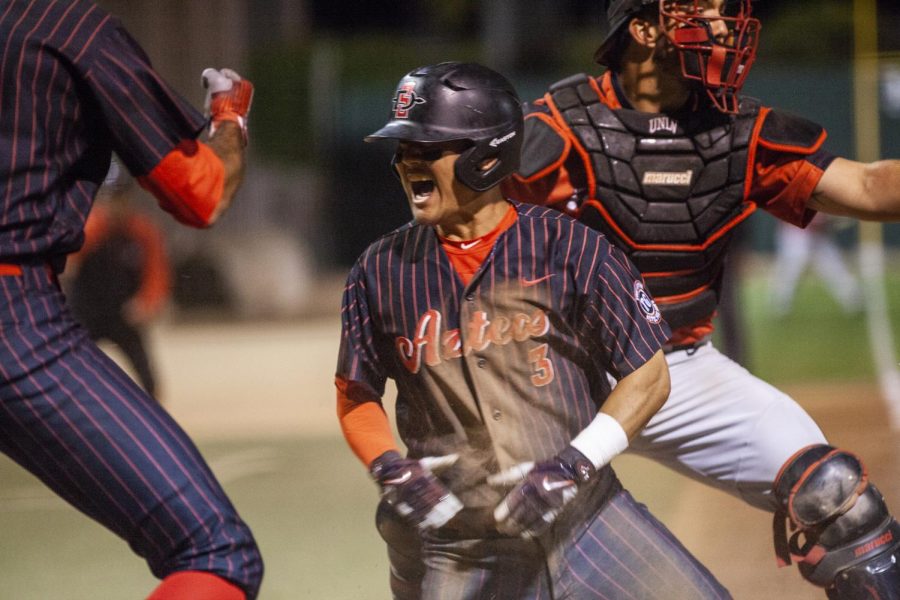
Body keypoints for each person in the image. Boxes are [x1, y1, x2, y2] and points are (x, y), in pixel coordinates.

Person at [500, 0, 900, 597]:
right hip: (559, 377)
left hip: (679, 371)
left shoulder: (739, 130)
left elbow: (868, 187)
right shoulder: (558, 130)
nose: (722, 24)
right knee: (499, 542)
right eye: (701, 9)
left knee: (838, 497)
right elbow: (460, 228)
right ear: (643, 28)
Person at [336, 61, 730, 599]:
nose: (406, 161)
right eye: (402, 149)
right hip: (463, 545)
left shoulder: (571, 248)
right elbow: (355, 392)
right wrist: (389, 467)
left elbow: (650, 377)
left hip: (589, 524)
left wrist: (574, 465)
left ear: (485, 157)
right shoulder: (378, 271)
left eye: (427, 149)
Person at [0, 2, 262, 599]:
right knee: (214, 550)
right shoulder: (66, 26)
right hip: (13, 311)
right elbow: (201, 194)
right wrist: (230, 118)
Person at [67, 163, 171, 400]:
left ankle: (153, 423)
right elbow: (67, 267)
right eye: (111, 198)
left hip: (123, 315)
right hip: (86, 315)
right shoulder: (89, 229)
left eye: (120, 197)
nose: (115, 205)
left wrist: (146, 304)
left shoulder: (142, 232)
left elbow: (156, 274)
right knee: (72, 371)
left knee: (149, 380)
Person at [769, 214, 862, 317]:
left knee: (833, 267)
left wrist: (828, 221)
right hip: (795, 233)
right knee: (792, 269)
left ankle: (853, 299)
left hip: (818, 234)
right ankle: (780, 304)